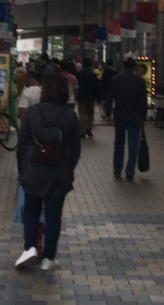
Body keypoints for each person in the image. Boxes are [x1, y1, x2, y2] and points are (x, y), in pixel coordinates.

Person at [15, 72, 81, 270]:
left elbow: (23, 144)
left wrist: (24, 170)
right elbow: (75, 148)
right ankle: (49, 258)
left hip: (34, 170)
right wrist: (68, 167)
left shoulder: (33, 112)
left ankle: (30, 248)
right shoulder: (70, 115)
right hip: (59, 172)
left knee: (31, 211)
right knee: (53, 215)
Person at [108, 57, 148, 180]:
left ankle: (117, 169)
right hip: (135, 117)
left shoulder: (116, 79)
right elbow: (143, 101)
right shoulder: (140, 81)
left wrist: (108, 114)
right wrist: (144, 116)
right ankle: (130, 172)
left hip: (120, 116)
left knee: (119, 143)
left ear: (123, 66)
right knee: (133, 145)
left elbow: (110, 97)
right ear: (135, 68)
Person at [76, 55, 100, 137]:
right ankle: (89, 129)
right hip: (91, 96)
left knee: (81, 114)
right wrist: (98, 97)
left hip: (81, 96)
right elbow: (97, 86)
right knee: (90, 113)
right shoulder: (93, 74)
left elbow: (77, 85)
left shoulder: (79, 74)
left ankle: (82, 131)